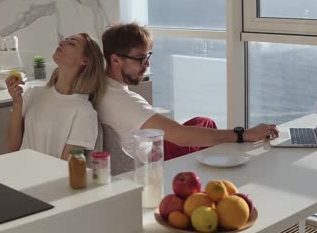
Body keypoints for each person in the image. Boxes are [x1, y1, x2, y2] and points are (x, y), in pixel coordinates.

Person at [98, 22, 279, 169]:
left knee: (204, 122)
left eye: (148, 56)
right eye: (140, 58)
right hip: (155, 160)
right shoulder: (123, 102)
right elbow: (181, 137)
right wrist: (244, 134)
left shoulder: (104, 87)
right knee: (206, 132)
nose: (147, 64)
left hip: (149, 149)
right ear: (115, 59)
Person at [6, 33, 106, 160]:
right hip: (17, 173)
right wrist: (17, 104)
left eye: (72, 43)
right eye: (64, 40)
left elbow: (66, 169)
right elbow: (12, 148)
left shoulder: (84, 112)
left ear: (85, 60)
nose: (60, 43)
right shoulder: (33, 94)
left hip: (47, 179)